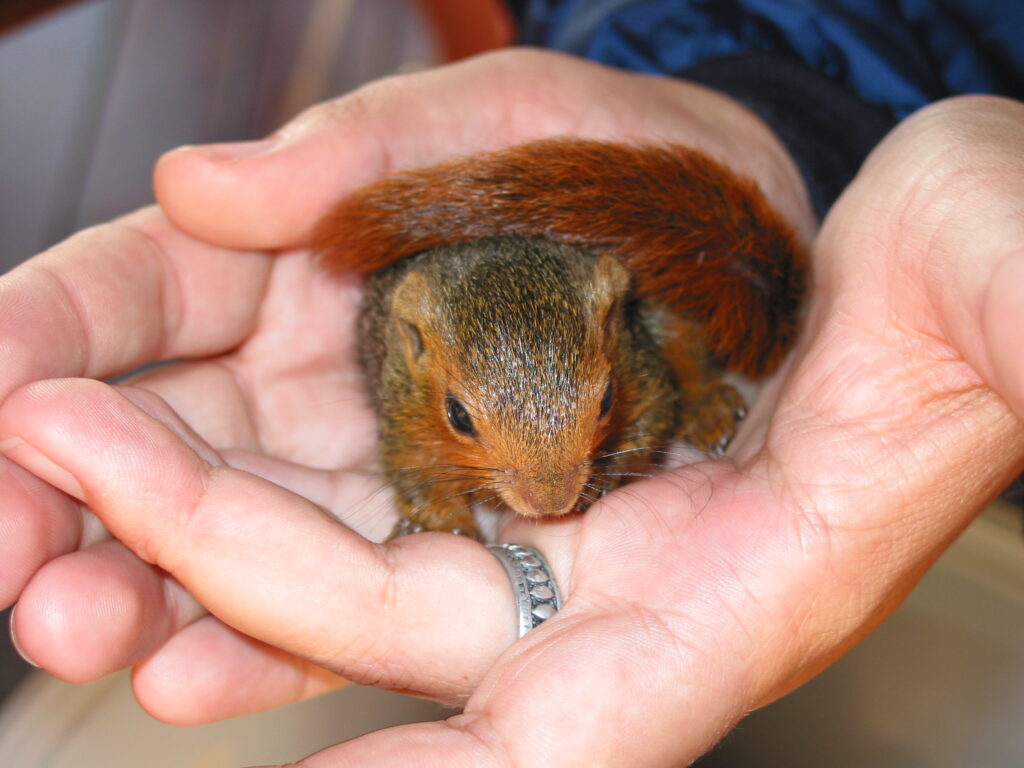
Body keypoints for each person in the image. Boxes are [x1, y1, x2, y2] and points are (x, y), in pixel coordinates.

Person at [1, 23, 1024, 768]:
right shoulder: (408, 341)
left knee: (662, 350)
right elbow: (414, 459)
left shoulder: (617, 336)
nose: (550, 493)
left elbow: (646, 393)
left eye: (593, 426)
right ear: (412, 354)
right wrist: (435, 500)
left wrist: (690, 389)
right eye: (459, 423)